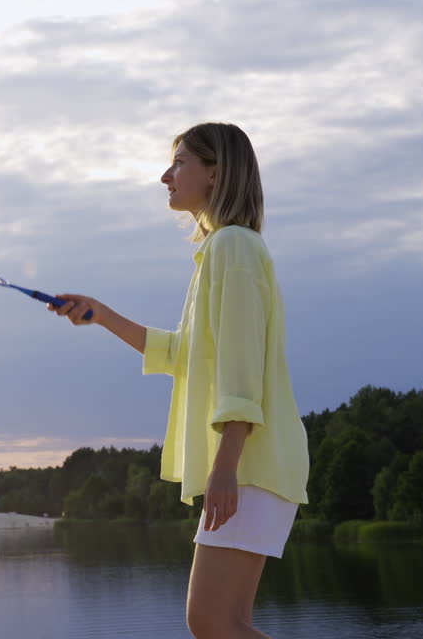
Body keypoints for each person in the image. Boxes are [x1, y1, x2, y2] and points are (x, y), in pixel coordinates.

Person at [47, 123, 309, 639]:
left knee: (212, 622)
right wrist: (100, 315)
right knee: (225, 623)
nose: (166, 175)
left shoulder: (232, 248)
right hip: (253, 466)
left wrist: (225, 467)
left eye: (180, 162)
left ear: (215, 172)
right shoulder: (225, 251)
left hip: (248, 466)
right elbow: (185, 355)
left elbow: (240, 370)